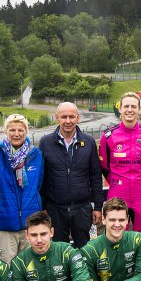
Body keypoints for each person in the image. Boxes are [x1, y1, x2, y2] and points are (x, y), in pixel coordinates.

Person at [39, 102, 103, 248]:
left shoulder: (89, 142)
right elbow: (41, 177)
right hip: (55, 209)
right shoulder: (46, 143)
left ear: (78, 118)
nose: (68, 121)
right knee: (58, 252)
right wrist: (43, 207)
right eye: (64, 117)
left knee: (85, 251)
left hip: (82, 209)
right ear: (57, 118)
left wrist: (98, 207)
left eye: (72, 117)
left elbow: (95, 176)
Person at [100, 92, 141, 244]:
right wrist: (118, 182)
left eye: (134, 106)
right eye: (126, 106)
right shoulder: (108, 136)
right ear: (120, 109)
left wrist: (139, 181)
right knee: (116, 238)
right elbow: (105, 168)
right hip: (118, 194)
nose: (130, 110)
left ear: (139, 110)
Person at [0, 114, 44, 262]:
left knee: (30, 269)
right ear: (5, 131)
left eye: (20, 130)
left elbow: (39, 185)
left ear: (26, 132)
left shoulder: (36, 156)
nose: (16, 134)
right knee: (4, 270)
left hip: (31, 224)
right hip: (4, 225)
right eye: (12, 130)